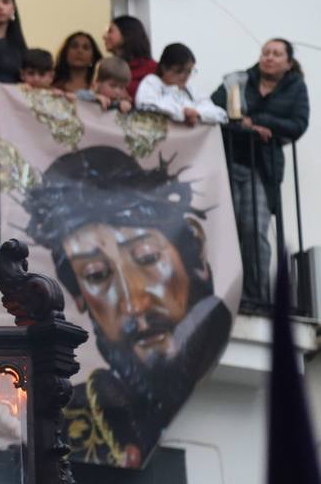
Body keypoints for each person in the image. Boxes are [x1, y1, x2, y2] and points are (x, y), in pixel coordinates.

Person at [25, 146, 232, 467]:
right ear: (78, 295)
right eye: (96, 274)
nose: (134, 303)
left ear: (194, 245)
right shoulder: (65, 416)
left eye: (148, 258)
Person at [211, 39, 310, 301]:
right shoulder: (239, 80)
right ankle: (223, 293)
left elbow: (298, 125)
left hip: (262, 169)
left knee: (255, 228)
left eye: (277, 54)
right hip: (230, 162)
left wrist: (257, 121)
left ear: (288, 63)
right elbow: (214, 109)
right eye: (266, 52)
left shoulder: (296, 88)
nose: (269, 57)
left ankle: (255, 296)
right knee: (227, 228)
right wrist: (247, 127)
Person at [135, 43, 227, 127]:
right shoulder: (152, 82)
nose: (185, 76)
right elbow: (147, 106)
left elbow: (220, 114)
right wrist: (182, 113)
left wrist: (198, 114)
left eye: (189, 71)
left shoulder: (190, 89)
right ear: (164, 68)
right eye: (179, 71)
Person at [104, 16, 156, 98]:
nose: (104, 36)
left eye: (110, 31)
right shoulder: (107, 67)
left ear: (126, 34)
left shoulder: (151, 68)